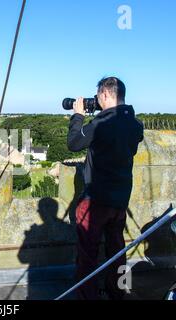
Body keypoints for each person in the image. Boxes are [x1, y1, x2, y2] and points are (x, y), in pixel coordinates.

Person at [67, 77, 144, 300]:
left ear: (106, 94)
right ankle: (119, 291)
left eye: (98, 95)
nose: (96, 100)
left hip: (95, 199)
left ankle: (88, 296)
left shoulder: (100, 123)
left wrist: (79, 115)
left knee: (87, 254)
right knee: (117, 251)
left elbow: (73, 143)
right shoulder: (135, 124)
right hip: (120, 199)